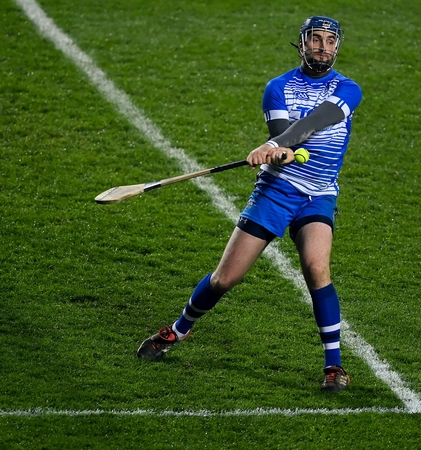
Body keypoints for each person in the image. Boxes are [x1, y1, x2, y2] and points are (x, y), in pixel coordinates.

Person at [137, 16, 363, 392]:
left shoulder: (348, 89)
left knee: (316, 268)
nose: (322, 47)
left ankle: (334, 366)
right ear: (301, 43)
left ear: (337, 47)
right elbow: (285, 138)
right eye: (315, 40)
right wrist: (281, 150)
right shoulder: (278, 88)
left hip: (319, 193)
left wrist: (279, 146)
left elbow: (317, 121)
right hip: (277, 191)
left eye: (329, 41)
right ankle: (178, 331)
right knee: (225, 278)